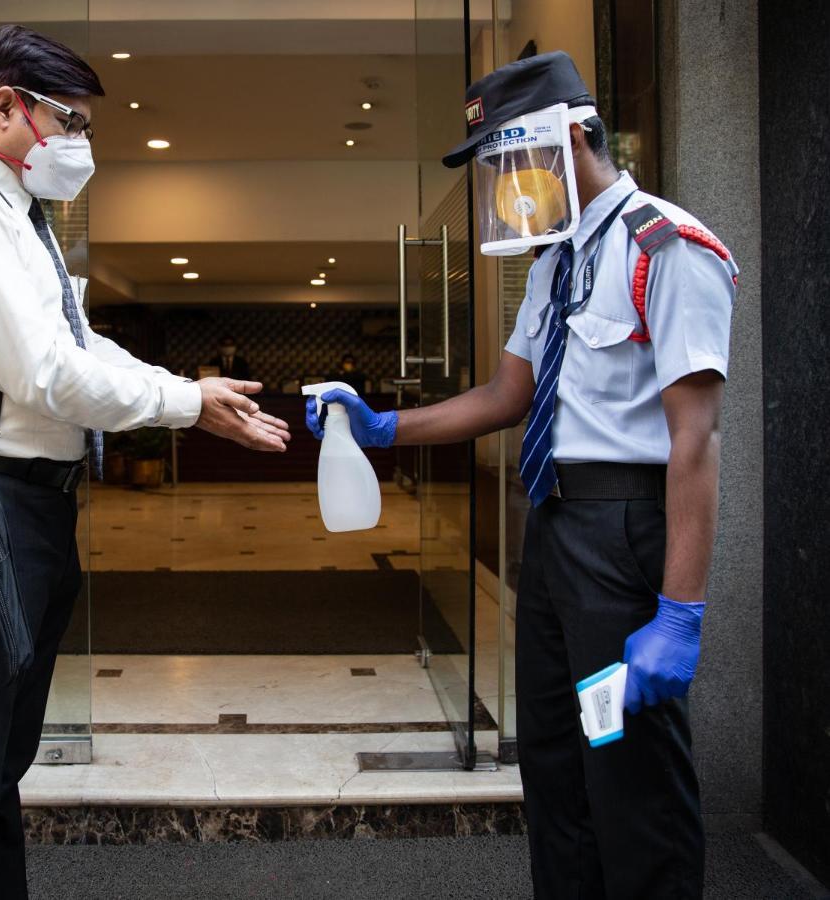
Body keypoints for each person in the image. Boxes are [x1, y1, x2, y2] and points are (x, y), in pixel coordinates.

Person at [306, 51, 735, 900]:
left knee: (629, 769)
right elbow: (508, 395)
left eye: (512, 156)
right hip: (554, 527)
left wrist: (679, 614)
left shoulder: (667, 247)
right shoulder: (550, 265)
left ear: (574, 135)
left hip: (626, 527)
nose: (506, 180)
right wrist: (383, 426)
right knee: (552, 758)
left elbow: (696, 439)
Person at [0, 25, 290, 899]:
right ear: (3, 108)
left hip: (21, 510)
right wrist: (186, 405)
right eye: (69, 122)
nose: (81, 146)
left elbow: (80, 340)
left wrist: (187, 389)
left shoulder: (14, 217)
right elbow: (41, 373)